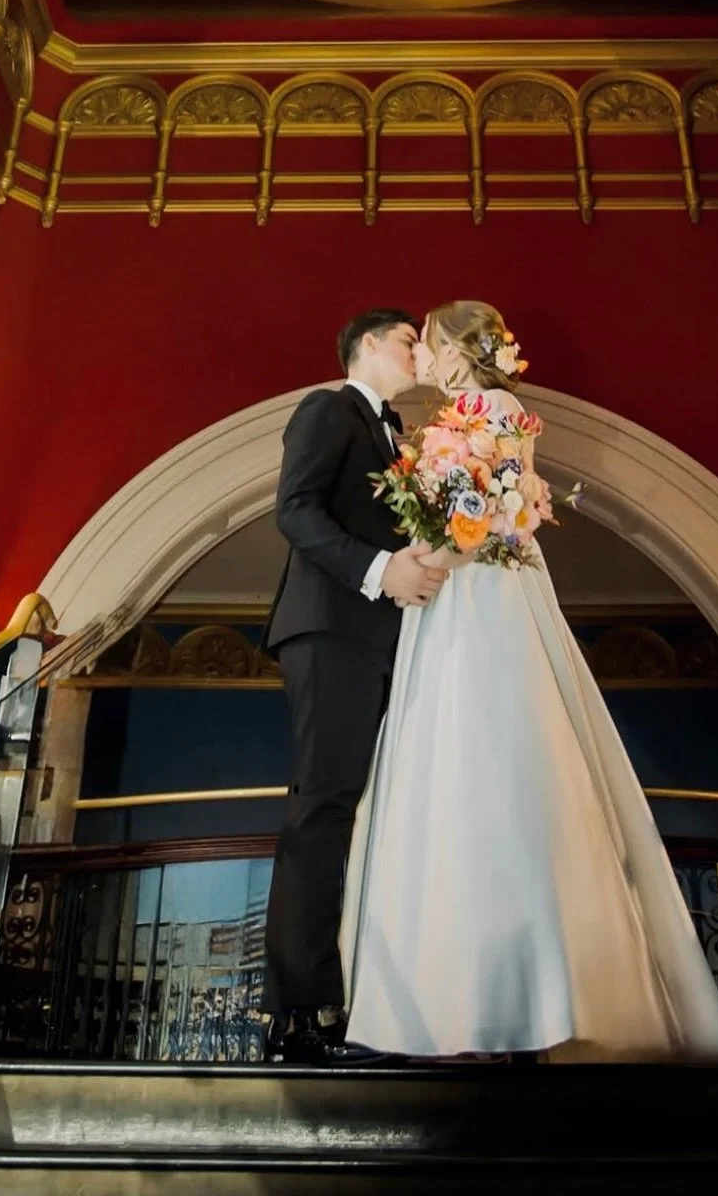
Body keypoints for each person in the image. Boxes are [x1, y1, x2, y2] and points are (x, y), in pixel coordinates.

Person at [338, 299, 718, 1062]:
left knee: (490, 754)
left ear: (456, 347)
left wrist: (423, 565)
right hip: (456, 597)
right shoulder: (471, 409)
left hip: (479, 595)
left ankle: (514, 997)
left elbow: (487, 515)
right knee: (452, 762)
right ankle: (460, 995)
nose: (418, 354)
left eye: (425, 341)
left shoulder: (492, 405)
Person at [260, 307, 447, 1064]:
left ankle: (357, 998)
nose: (418, 352)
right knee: (323, 807)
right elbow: (293, 509)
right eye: (409, 341)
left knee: (368, 814)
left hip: (380, 639)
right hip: (332, 629)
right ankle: (294, 1013)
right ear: (367, 344)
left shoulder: (396, 433)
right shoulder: (328, 408)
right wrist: (381, 572)